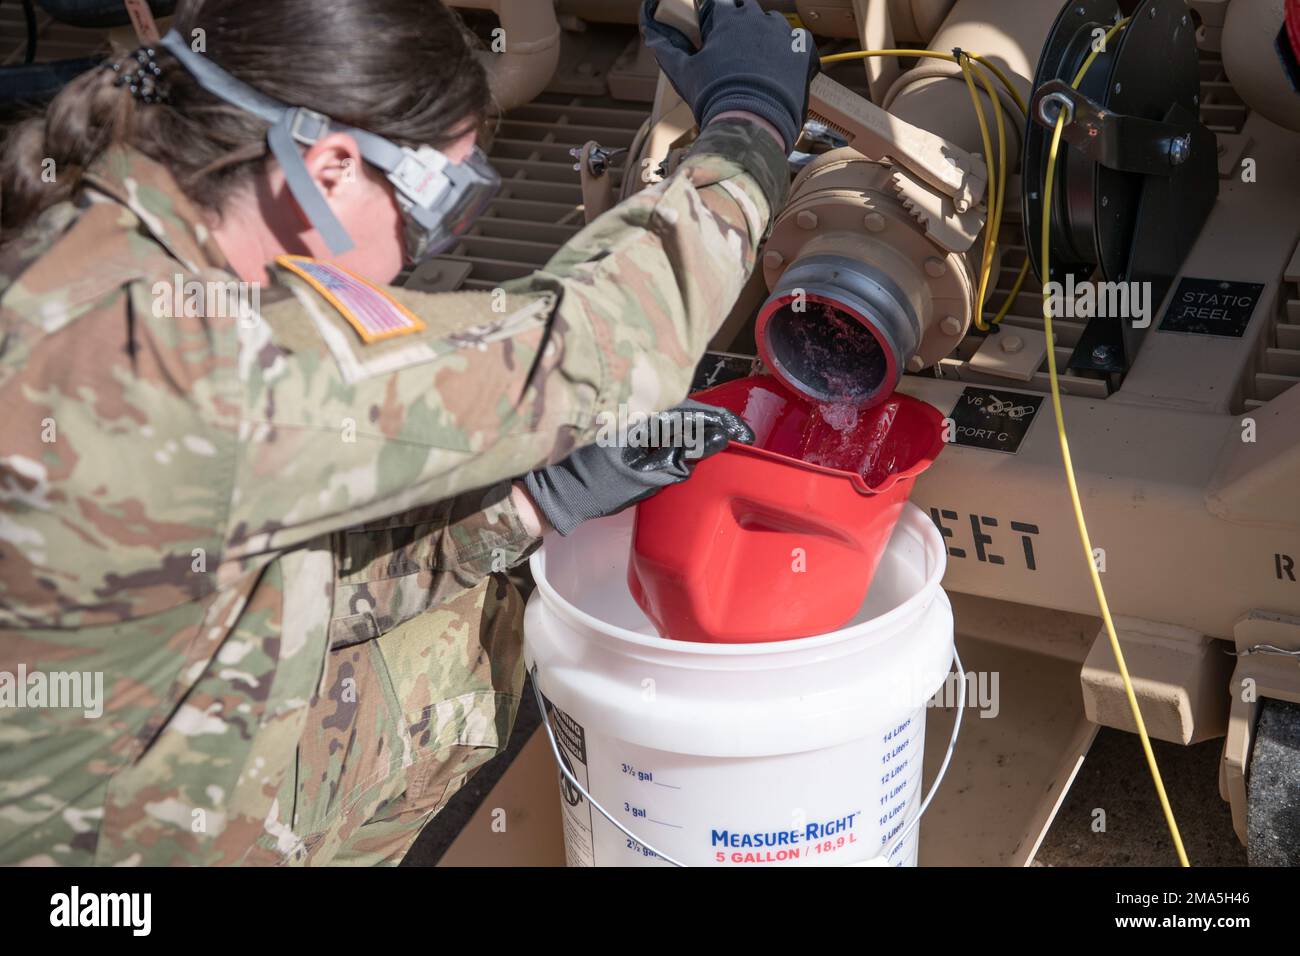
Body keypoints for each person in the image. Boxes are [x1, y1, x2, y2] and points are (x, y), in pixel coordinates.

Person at [0, 0, 817, 865]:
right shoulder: (208, 369)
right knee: (461, 661)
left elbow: (248, 573)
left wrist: (534, 502)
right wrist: (751, 119)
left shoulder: (78, 236)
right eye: (442, 202)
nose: (428, 250)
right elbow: (606, 346)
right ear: (330, 167)